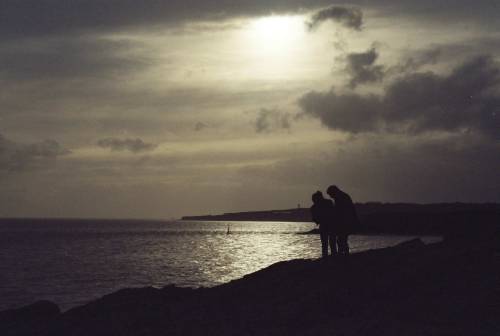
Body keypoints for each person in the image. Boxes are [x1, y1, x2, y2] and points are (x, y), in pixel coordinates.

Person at [326, 185, 359, 256]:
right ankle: (343, 254)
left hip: (344, 222)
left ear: (333, 192)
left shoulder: (340, 198)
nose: (330, 197)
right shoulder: (343, 196)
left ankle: (343, 254)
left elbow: (340, 212)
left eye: (330, 194)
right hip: (346, 221)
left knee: (341, 239)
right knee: (342, 239)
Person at [310, 191, 337, 258]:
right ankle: (333, 256)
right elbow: (334, 213)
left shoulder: (314, 207)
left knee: (325, 244)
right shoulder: (329, 202)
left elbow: (316, 220)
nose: (314, 201)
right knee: (332, 243)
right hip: (331, 224)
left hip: (326, 225)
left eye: (314, 200)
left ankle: (325, 257)